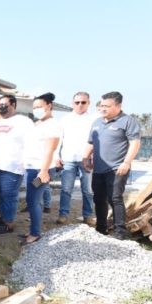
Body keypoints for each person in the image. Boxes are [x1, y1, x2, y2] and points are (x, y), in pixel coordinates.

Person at [83, 92, 141, 240]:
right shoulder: (97, 122)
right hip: (98, 169)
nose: (103, 108)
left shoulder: (127, 121)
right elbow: (91, 143)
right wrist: (85, 158)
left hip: (117, 168)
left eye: (107, 106)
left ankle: (119, 231)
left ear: (118, 106)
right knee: (98, 198)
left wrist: (126, 162)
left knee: (115, 198)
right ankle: (101, 228)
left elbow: (135, 143)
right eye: (102, 105)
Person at [0, 95, 33, 234]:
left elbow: (31, 142)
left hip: (11, 167)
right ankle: (3, 218)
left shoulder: (24, 121)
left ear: (13, 105)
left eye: (4, 104)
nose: (1, 107)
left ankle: (9, 224)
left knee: (9, 196)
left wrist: (27, 161)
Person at [22, 93, 62, 244]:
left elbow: (50, 150)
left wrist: (44, 171)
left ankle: (35, 233)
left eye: (39, 107)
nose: (36, 110)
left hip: (41, 169)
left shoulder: (53, 125)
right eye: (34, 107)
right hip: (32, 167)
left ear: (49, 106)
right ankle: (34, 228)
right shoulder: (38, 123)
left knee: (33, 200)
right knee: (31, 199)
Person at [56, 92, 97, 226]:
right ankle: (63, 214)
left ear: (88, 103)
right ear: (72, 103)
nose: (80, 105)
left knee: (88, 190)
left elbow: (96, 141)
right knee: (66, 189)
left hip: (86, 159)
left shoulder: (94, 120)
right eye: (77, 102)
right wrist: (56, 156)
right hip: (68, 159)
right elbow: (59, 139)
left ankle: (88, 215)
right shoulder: (64, 119)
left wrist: (94, 158)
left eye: (83, 102)